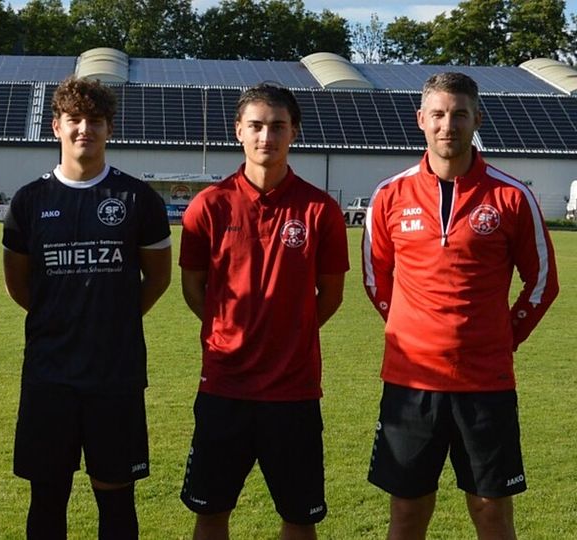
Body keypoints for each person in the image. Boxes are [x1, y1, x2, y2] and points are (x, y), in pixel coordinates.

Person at [362, 72, 560, 539]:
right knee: (407, 513)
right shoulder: (390, 195)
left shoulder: (512, 195)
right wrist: (415, 331)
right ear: (421, 120)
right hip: (411, 382)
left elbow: (543, 282)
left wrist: (503, 335)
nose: (447, 124)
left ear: (476, 120)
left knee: (492, 511)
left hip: (485, 381)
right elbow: (376, 279)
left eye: (459, 114)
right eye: (438, 114)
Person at [2, 76, 171, 539]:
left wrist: (113, 316)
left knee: (116, 498)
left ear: (109, 129)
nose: (84, 130)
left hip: (114, 376)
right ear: (56, 126)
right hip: (48, 375)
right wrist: (60, 318)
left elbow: (157, 278)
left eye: (94, 121)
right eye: (74, 120)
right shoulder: (29, 201)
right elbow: (19, 284)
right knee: (47, 498)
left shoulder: (138, 198)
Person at [178, 84, 348, 540]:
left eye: (277, 126)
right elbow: (192, 286)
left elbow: (330, 293)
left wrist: (291, 330)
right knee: (210, 513)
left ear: (294, 132)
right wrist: (225, 328)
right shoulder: (208, 205)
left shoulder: (321, 209)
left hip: (293, 391)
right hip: (224, 386)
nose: (266, 136)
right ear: (239, 131)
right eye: (255, 125)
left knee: (299, 517)